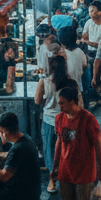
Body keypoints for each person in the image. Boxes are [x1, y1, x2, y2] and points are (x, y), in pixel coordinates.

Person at [36, 54, 78, 192]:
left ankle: (52, 183)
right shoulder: (72, 83)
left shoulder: (44, 82)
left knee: (50, 153)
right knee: (68, 151)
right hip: (68, 122)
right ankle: (69, 181)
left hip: (49, 122)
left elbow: (37, 101)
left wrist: (46, 99)